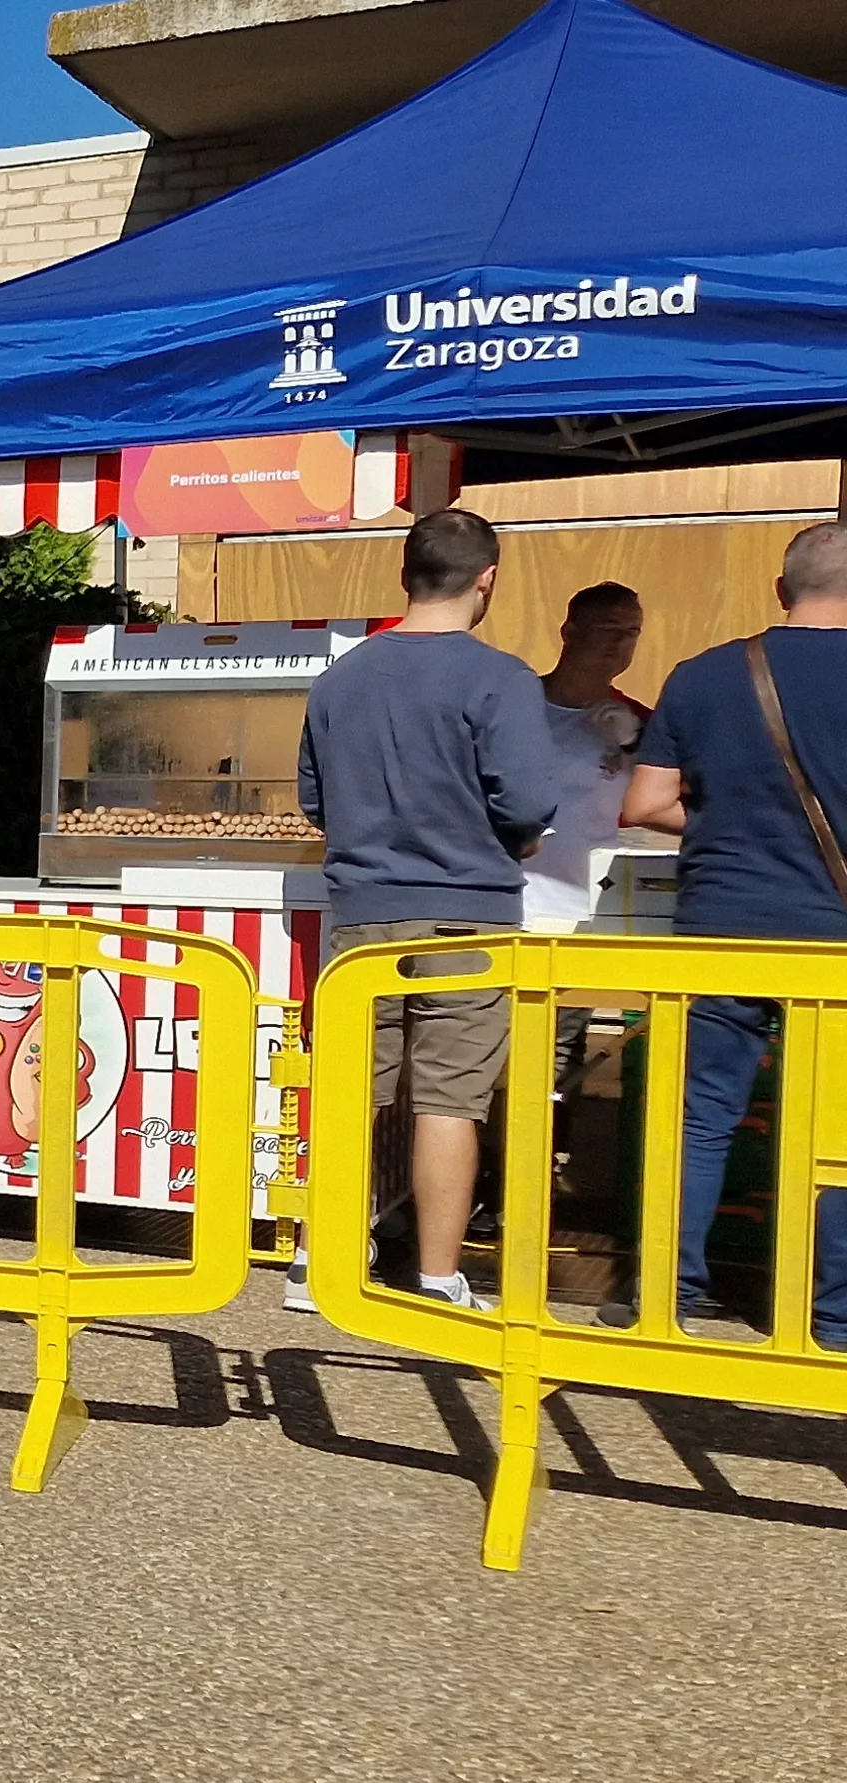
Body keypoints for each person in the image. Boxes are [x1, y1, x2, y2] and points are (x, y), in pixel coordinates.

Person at [290, 508, 557, 1316]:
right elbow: (531, 798)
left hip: (364, 912)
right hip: (469, 913)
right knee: (449, 1098)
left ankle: (316, 1260)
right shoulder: (500, 678)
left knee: (350, 1089)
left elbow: (313, 797)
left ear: (405, 573)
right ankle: (438, 1277)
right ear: (488, 579)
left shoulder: (342, 677)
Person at [614, 519, 847, 1347]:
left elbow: (642, 805)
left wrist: (726, 829)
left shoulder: (707, 675)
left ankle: (663, 1293)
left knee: (700, 1115)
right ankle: (832, 1319)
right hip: (835, 943)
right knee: (837, 1130)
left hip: (718, 925)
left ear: (782, 592)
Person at [526, 585, 651, 934]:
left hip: (600, 912)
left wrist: (636, 741)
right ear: (569, 632)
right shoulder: (514, 706)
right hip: (517, 909)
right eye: (608, 629)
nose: (620, 643)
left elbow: (678, 796)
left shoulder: (642, 721)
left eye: (631, 632)